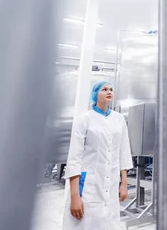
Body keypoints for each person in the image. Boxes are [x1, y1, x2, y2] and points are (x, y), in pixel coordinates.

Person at [62, 81, 133, 230]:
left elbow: (124, 152)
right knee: (85, 223)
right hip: (89, 183)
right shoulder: (84, 119)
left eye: (111, 89)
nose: (109, 92)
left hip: (112, 182)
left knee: (109, 223)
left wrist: (124, 184)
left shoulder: (119, 119)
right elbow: (74, 158)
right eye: (104, 89)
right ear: (95, 95)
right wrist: (75, 196)